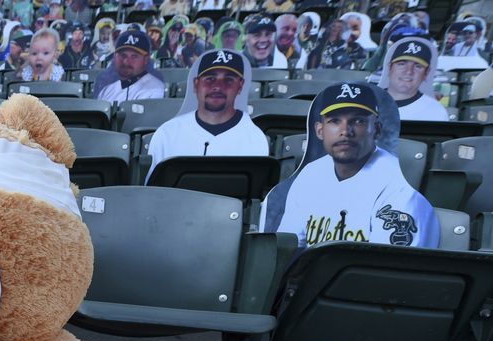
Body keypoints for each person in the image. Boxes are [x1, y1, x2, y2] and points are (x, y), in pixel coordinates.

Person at [271, 83, 438, 248]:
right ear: (320, 130)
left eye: (358, 121)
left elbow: (387, 270)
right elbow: (288, 248)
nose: (345, 131)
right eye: (334, 121)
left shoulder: (400, 190)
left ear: (377, 129)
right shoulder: (310, 174)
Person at [146, 50, 268, 179]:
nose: (217, 86)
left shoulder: (255, 138)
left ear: (240, 85)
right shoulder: (167, 133)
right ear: (196, 84)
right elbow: (153, 194)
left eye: (228, 80)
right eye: (210, 78)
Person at [379, 38, 447, 122]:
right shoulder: (367, 102)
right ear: (389, 67)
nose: (408, 71)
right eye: (402, 64)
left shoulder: (436, 111)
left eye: (418, 66)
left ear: (426, 73)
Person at [95, 30, 163, 101]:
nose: (126, 61)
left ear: (146, 59)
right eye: (123, 55)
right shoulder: (106, 91)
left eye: (134, 56)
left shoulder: (155, 90)